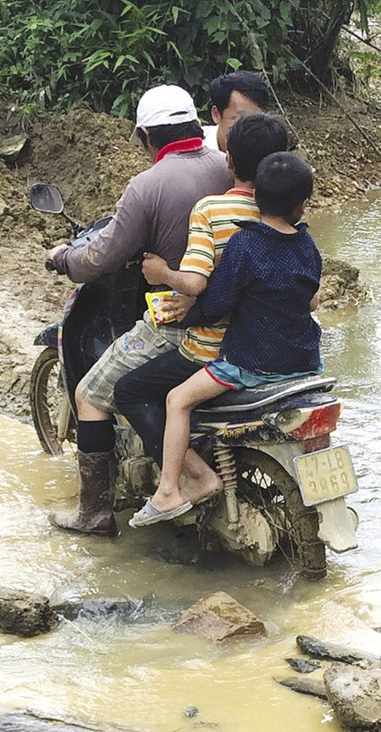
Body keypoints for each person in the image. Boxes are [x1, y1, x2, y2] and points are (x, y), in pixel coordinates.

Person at [48, 84, 232, 537]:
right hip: (234, 318)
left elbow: (103, 255)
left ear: (148, 136)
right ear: (196, 124)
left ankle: (94, 513)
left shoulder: (147, 186)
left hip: (176, 322)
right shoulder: (227, 167)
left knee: (91, 395)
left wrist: (64, 259)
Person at [127, 152, 322, 527]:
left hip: (250, 366)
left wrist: (187, 316)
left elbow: (216, 303)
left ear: (255, 199)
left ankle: (169, 490)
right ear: (301, 205)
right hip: (305, 363)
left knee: (176, 399)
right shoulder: (307, 245)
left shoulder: (244, 247)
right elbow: (311, 299)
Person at [112, 113, 289, 506]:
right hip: (274, 344)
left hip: (216, 351)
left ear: (229, 162)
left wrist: (162, 272)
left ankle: (189, 479)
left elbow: (194, 283)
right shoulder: (287, 214)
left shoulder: (210, 210)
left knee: (130, 390)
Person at [203, 70, 271, 153]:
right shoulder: (193, 152)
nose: (249, 129)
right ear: (216, 114)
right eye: (240, 119)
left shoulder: (269, 150)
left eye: (255, 120)